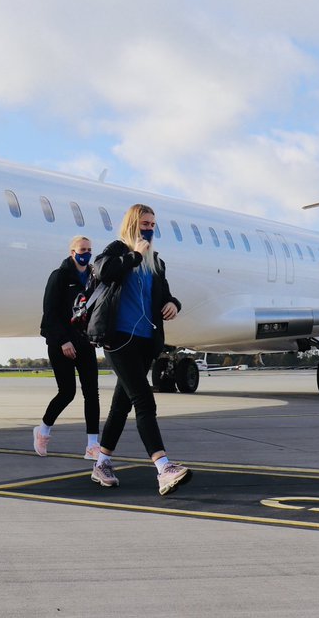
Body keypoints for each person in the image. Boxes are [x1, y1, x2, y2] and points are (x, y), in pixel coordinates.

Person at [86, 204, 189, 496]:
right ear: (133, 223)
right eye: (145, 223)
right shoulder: (118, 250)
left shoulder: (156, 261)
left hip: (146, 340)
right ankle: (164, 467)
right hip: (117, 339)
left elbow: (164, 294)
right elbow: (103, 271)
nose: (150, 228)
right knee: (144, 400)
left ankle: (102, 463)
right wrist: (134, 256)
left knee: (122, 404)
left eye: (153, 224)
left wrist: (173, 304)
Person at [34, 235, 100, 459]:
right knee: (67, 392)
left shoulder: (93, 277)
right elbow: (50, 312)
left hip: (84, 341)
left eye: (89, 249)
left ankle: (93, 444)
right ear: (72, 252)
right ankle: (43, 430)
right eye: (82, 249)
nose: (86, 253)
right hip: (60, 341)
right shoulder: (60, 276)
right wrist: (63, 341)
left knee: (92, 393)